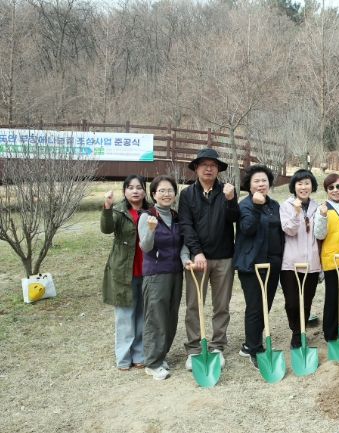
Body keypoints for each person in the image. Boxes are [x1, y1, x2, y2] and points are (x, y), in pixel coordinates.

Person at [178, 148, 239, 371]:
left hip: (224, 257)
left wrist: (231, 201)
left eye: (213, 165)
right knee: (194, 305)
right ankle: (194, 348)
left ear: (218, 169)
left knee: (221, 305)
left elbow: (235, 219)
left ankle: (217, 346)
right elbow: (186, 225)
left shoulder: (227, 191)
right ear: (196, 168)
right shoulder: (187, 194)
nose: (209, 169)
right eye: (204, 165)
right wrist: (196, 252)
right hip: (198, 259)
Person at [138, 175, 191, 380]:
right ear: (153, 194)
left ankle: (161, 355)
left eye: (170, 190)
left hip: (175, 272)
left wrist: (185, 260)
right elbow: (146, 247)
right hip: (156, 274)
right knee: (156, 318)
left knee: (170, 316)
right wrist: (151, 230)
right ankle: (152, 362)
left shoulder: (176, 217)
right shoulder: (147, 216)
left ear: (175, 194)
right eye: (161, 191)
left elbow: (182, 243)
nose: (166, 194)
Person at [233, 165, 284, 368]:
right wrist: (255, 206)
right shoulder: (245, 205)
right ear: (249, 185)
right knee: (255, 306)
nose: (261, 184)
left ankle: (253, 341)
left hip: (272, 263)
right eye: (257, 181)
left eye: (264, 181)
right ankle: (252, 347)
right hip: (252, 263)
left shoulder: (274, 205)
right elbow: (247, 228)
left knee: (266, 305)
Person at [100, 174, 150, 371]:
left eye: (139, 187)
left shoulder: (151, 211)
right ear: (124, 191)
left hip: (146, 270)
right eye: (130, 187)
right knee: (124, 316)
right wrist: (107, 207)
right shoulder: (119, 211)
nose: (135, 191)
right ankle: (123, 357)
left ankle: (139, 355)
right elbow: (106, 228)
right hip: (123, 271)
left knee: (142, 315)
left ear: (144, 191)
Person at [280, 169, 322, 348]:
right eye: (300, 183)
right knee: (292, 303)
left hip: (312, 262)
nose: (303, 187)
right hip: (290, 262)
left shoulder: (317, 207)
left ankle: (301, 332)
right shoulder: (285, 205)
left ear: (312, 186)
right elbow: (289, 230)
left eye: (307, 183)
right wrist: (297, 213)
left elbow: (321, 234)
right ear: (294, 186)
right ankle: (296, 330)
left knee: (306, 301)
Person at [314, 174, 339, 342]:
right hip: (332, 259)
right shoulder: (323, 208)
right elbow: (319, 234)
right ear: (326, 190)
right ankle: (330, 333)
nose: (335, 190)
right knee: (333, 296)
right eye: (331, 188)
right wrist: (323, 216)